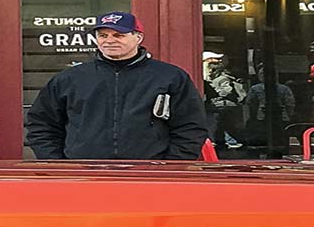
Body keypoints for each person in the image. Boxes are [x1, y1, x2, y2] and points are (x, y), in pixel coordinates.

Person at [25, 12, 209, 160]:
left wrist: (170, 165)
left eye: (118, 35)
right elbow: (41, 124)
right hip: (83, 176)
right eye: (102, 35)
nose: (109, 40)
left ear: (138, 37)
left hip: (150, 175)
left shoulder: (170, 77)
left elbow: (191, 126)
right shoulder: (70, 78)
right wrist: (58, 164)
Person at [202, 51, 247, 153]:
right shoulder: (211, 77)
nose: (218, 63)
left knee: (220, 126)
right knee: (221, 127)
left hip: (222, 106)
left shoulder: (222, 78)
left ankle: (232, 142)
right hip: (217, 106)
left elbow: (227, 91)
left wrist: (214, 89)